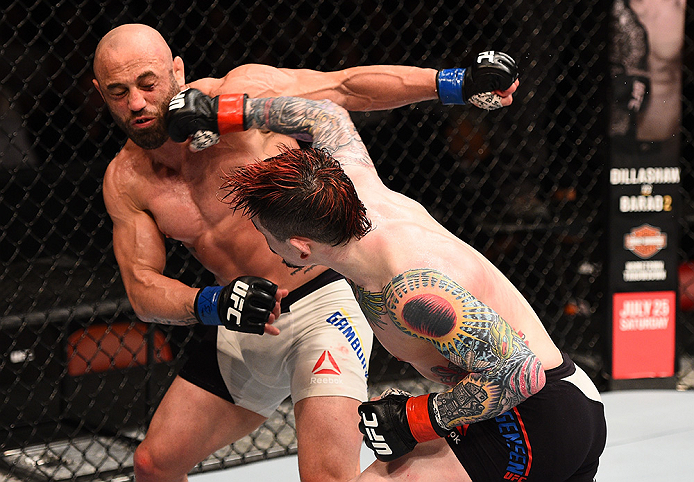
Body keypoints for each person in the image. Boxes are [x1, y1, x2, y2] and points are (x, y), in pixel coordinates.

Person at [91, 24, 518, 482]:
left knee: (326, 478)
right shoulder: (125, 179)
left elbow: (342, 87)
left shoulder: (241, 92)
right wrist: (212, 303)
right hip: (242, 320)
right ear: (99, 93)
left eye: (148, 84)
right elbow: (141, 287)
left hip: (322, 302)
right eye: (118, 92)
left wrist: (454, 83)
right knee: (152, 465)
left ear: (176, 70)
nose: (136, 102)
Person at [224, 95, 607, 482]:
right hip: (554, 402)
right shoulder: (350, 187)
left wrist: (416, 419)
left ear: (300, 246)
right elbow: (324, 115)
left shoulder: (412, 292)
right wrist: (222, 111)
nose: (263, 241)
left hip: (536, 418)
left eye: (265, 232)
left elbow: (519, 373)